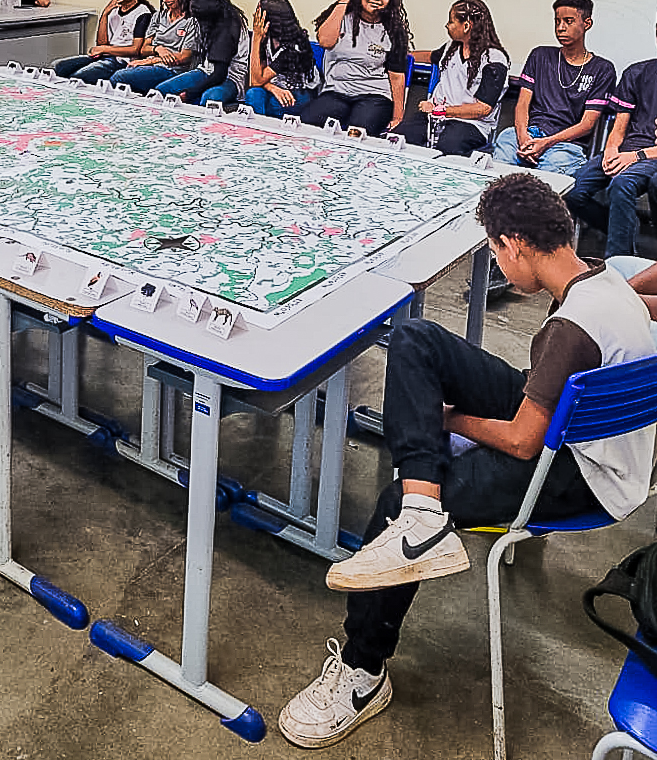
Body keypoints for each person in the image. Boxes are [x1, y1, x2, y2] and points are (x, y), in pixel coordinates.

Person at [279, 173, 656, 749]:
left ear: (515, 245)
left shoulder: (567, 330)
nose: (500, 267)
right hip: (596, 441)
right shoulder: (608, 282)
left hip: (584, 475)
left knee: (390, 502)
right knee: (416, 341)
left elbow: (524, 442)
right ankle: (423, 506)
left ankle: (362, 671)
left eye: (496, 253)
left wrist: (450, 420)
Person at [493, 0, 616, 175]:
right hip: (528, 134)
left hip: (566, 144)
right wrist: (523, 137)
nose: (560, 28)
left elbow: (587, 124)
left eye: (568, 21)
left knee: (548, 180)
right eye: (557, 21)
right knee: (503, 155)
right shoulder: (540, 55)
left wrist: (547, 142)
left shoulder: (602, 69)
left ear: (587, 24)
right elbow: (522, 105)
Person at [565, 23, 657, 257]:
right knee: (572, 189)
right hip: (626, 149)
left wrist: (634, 157)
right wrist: (610, 150)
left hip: (650, 156)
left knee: (622, 184)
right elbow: (619, 127)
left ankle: (617, 261)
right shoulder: (637, 73)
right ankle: (622, 229)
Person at [300, 0, 411, 136]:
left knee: (357, 133)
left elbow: (396, 77)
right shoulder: (342, 16)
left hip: (374, 95)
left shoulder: (394, 29)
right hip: (336, 92)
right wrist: (343, 1)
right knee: (307, 125)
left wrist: (398, 119)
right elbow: (325, 41)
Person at [393, 0, 509, 157]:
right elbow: (430, 57)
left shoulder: (494, 60)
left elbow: (483, 108)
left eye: (451, 21)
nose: (447, 26)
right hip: (435, 117)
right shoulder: (451, 48)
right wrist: (400, 55)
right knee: (398, 138)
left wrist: (443, 111)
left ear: (466, 26)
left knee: (446, 149)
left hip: (471, 124)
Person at [53, 0, 153, 84]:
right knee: (58, 66)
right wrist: (105, 13)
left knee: (78, 78)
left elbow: (135, 50)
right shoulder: (113, 11)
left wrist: (105, 49)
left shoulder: (143, 12)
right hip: (105, 56)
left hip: (122, 61)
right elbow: (101, 43)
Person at [109, 0, 198, 94]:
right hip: (151, 64)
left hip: (173, 70)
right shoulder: (158, 16)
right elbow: (144, 48)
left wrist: (150, 60)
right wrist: (157, 49)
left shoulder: (192, 21)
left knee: (119, 77)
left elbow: (184, 57)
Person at [156, 0, 250, 107]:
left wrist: (190, 93)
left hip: (230, 78)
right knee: (161, 90)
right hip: (206, 71)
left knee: (209, 99)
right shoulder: (218, 19)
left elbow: (219, 75)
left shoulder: (227, 30)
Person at [244, 0, 320, 118]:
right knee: (253, 94)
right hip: (276, 86)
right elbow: (254, 80)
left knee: (273, 104)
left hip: (301, 92)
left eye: (258, 13)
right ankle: (256, 133)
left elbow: (257, 80)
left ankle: (268, 132)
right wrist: (272, 88)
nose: (254, 16)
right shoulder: (266, 37)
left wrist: (256, 37)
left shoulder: (293, 47)